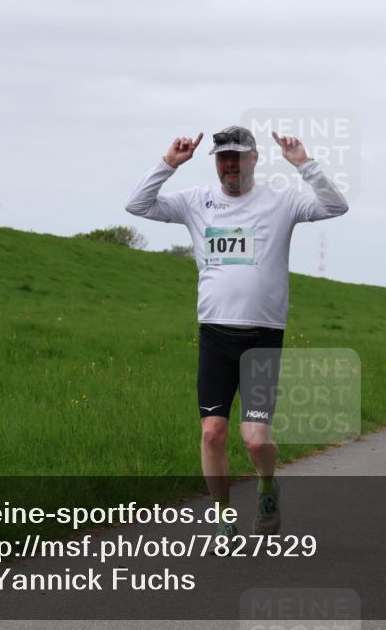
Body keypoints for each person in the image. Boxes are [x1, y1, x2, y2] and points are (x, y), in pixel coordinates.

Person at [126, 126, 349, 536]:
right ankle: (222, 519)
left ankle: (267, 485)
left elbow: (336, 207)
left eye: (238, 156)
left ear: (254, 158)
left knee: (255, 440)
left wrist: (304, 164)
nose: (230, 164)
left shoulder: (280, 202)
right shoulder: (197, 201)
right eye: (223, 157)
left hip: (263, 336)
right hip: (215, 334)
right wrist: (169, 163)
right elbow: (137, 205)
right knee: (212, 433)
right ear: (215, 161)